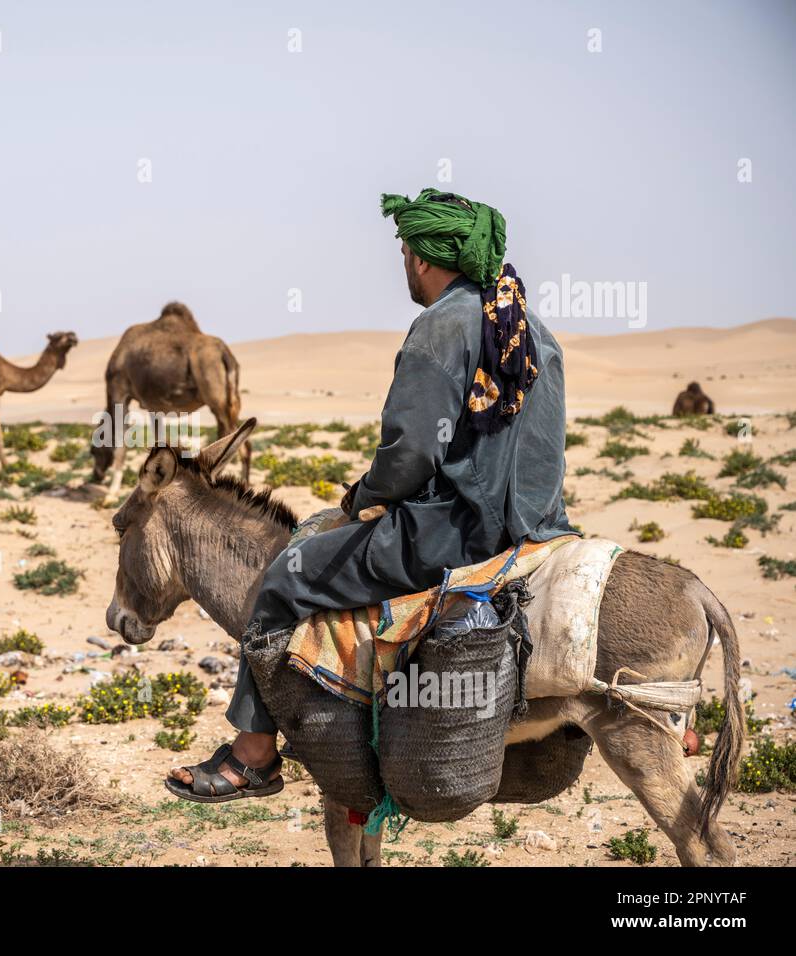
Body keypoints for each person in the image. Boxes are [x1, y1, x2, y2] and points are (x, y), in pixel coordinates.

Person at [166, 188, 576, 802]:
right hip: (540, 529)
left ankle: (251, 757)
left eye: (405, 251)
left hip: (451, 532)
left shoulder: (441, 327)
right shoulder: (531, 330)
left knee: (282, 580)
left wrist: (365, 497)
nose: (404, 264)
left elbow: (410, 455)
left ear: (421, 258)